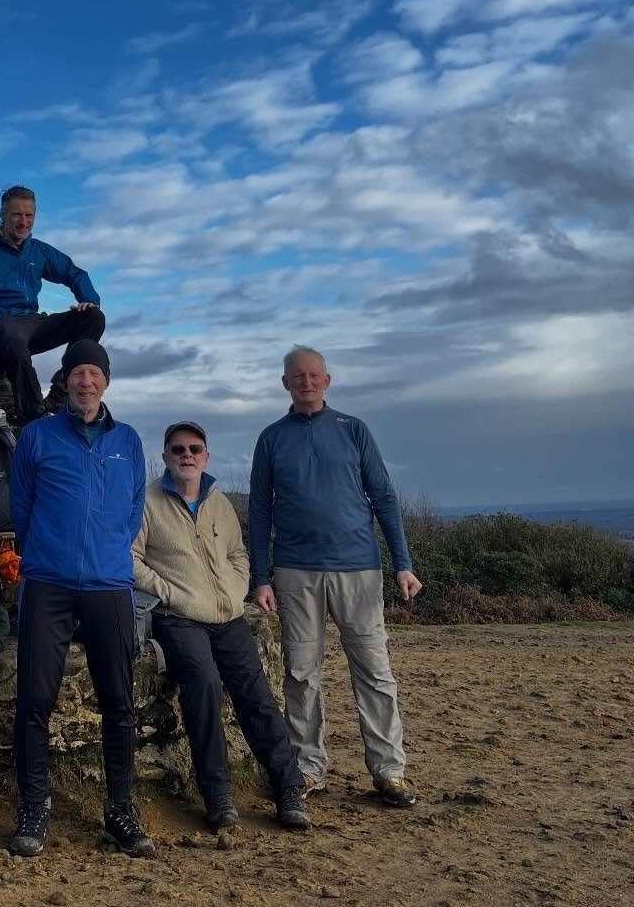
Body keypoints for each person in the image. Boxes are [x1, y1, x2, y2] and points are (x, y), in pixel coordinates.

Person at [247, 346, 423, 808]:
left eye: (314, 375)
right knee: (301, 673)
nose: (306, 382)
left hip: (359, 569)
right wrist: (260, 577)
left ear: (327, 381)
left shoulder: (355, 431)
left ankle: (389, 771)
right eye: (297, 376)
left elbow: (384, 497)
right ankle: (307, 769)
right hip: (294, 571)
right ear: (285, 383)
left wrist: (403, 562)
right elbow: (260, 510)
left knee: (375, 672)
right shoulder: (271, 439)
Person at [7, 339, 152, 859]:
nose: (84, 381)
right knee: (34, 701)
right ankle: (33, 806)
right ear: (64, 381)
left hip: (110, 587)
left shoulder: (129, 441)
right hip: (48, 584)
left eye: (94, 372)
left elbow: (133, 509)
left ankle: (120, 807)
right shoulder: (37, 437)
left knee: (118, 703)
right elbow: (20, 511)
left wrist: (108, 552)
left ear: (106, 381)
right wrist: (48, 555)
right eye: (75, 373)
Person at [132, 421, 311, 831]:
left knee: (256, 694)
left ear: (206, 456)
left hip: (227, 616)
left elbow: (237, 553)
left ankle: (288, 787)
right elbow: (131, 559)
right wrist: (171, 593)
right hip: (178, 619)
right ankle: (218, 795)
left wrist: (233, 591)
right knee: (204, 685)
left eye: (195, 448)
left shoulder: (219, 501)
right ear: (165, 457)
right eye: (178, 449)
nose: (187, 455)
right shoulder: (147, 502)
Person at [0, 185, 104, 425]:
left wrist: (88, 301)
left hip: (32, 323)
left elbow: (75, 274)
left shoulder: (38, 251)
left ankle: (60, 391)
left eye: (29, 215)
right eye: (17, 214)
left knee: (94, 317)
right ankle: (35, 418)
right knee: (12, 334)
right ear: (2, 215)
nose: (23, 221)